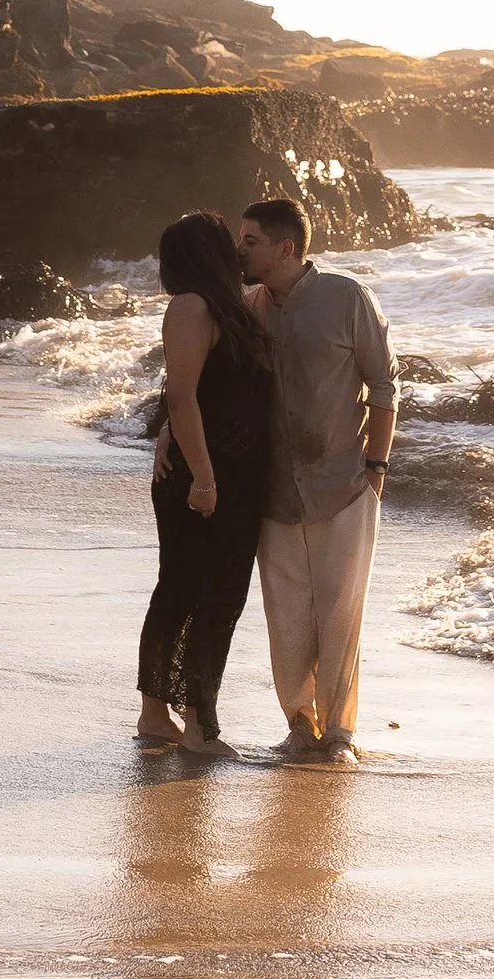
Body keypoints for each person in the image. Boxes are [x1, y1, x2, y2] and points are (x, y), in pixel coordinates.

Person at [240, 193, 398, 764]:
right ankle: (300, 727)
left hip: (344, 484)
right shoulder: (248, 306)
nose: (242, 250)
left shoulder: (347, 297)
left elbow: (384, 385)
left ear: (285, 248)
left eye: (251, 241)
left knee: (340, 614)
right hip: (273, 491)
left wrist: (376, 470)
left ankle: (339, 734)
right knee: (285, 616)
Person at [135, 210, 273, 757]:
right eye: (229, 244)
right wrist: (207, 481)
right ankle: (196, 727)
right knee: (202, 596)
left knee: (195, 594)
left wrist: (175, 439)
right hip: (207, 479)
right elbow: (183, 396)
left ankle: (162, 716)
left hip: (224, 474)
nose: (239, 252)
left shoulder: (225, 309)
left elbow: (199, 392)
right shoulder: (192, 306)